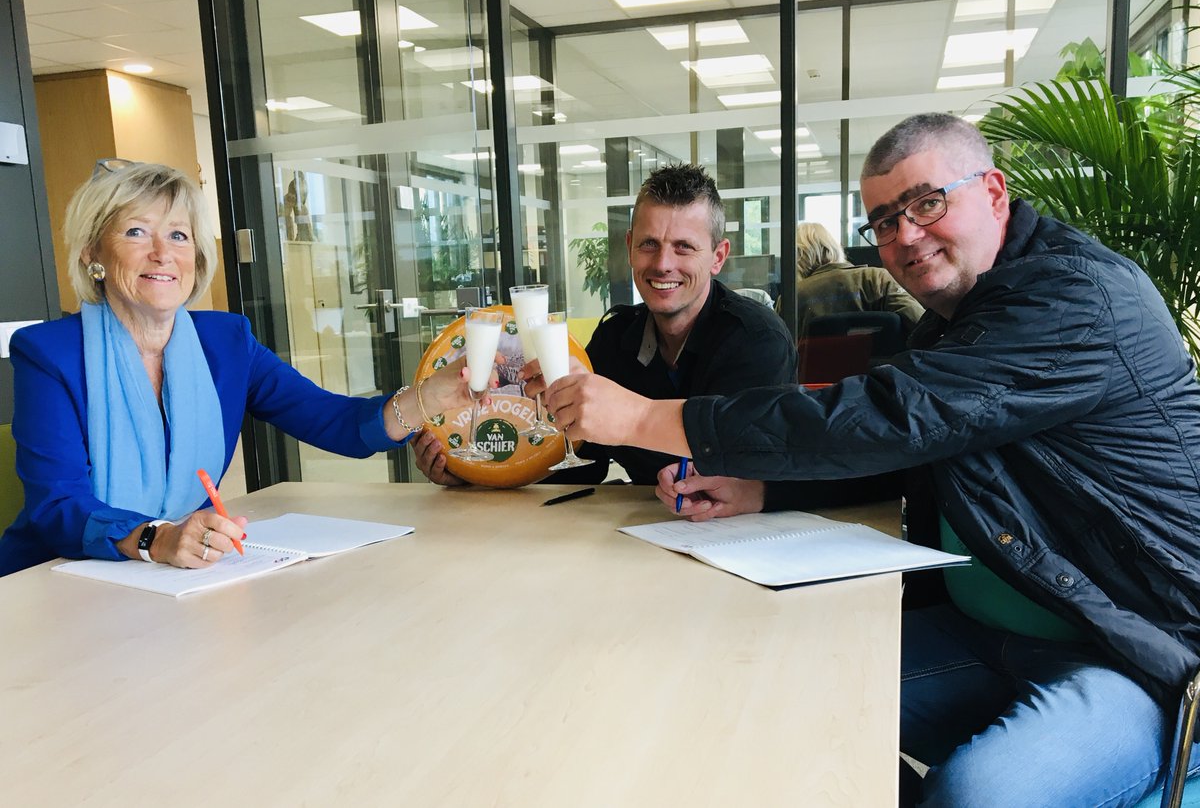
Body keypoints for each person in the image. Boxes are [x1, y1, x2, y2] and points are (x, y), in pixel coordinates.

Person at [542, 113, 1200, 805]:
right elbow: (920, 449)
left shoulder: (1073, 298)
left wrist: (642, 418)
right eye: (885, 221)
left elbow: (890, 418)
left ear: (997, 193)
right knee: (759, 695)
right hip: (989, 635)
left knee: (971, 796)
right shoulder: (958, 317)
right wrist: (763, 493)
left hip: (1131, 652)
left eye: (926, 203)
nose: (906, 236)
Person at [0, 161, 491, 578]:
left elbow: (335, 423)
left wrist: (430, 396)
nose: (163, 253)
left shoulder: (227, 342)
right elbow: (57, 507)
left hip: (172, 581)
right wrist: (156, 538)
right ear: (92, 254)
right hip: (51, 579)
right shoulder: (49, 353)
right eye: (135, 232)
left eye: (178, 235)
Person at [413, 162, 798, 487]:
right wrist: (473, 470)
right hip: (633, 536)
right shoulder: (616, 338)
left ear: (718, 256)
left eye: (684, 246)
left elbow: (749, 467)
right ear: (629, 246)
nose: (663, 263)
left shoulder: (757, 342)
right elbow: (582, 461)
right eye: (649, 244)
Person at [782, 221, 924, 333]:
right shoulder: (878, 279)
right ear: (834, 247)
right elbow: (921, 325)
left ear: (797, 258)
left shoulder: (790, 299)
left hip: (813, 370)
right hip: (889, 368)